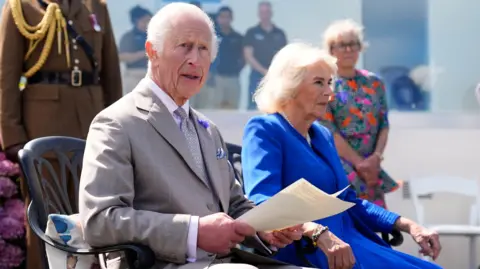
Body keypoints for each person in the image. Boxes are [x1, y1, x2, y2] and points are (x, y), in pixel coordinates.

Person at [78, 3, 306, 269]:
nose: (195, 60)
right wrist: (193, 231)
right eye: (184, 46)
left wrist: (267, 227)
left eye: (204, 49)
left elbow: (234, 205)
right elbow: (99, 221)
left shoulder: (207, 128)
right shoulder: (116, 123)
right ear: (153, 52)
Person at [241, 42, 443, 269]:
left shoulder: (322, 135)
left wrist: (408, 225)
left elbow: (348, 203)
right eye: (319, 83)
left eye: (329, 83)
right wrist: (316, 232)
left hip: (350, 242)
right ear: (290, 86)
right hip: (309, 250)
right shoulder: (265, 129)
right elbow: (263, 203)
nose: (329, 92)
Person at [0, 0, 122, 268]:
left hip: (92, 121)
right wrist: (12, 134)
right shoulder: (20, 8)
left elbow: (111, 74)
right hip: (42, 126)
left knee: (93, 209)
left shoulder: (96, 7)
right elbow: (6, 77)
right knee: (46, 214)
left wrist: (121, 129)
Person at [318, 19, 400, 208]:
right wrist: (359, 164)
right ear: (331, 50)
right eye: (342, 45)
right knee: (351, 221)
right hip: (342, 168)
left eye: (353, 44)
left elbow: (383, 124)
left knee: (377, 224)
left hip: (372, 168)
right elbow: (328, 130)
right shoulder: (326, 84)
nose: (348, 50)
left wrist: (376, 158)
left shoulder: (374, 82)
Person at [244, 1, 287, 110]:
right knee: (253, 106)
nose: (265, 14)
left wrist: (273, 72)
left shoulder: (280, 33)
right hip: (256, 77)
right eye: (262, 12)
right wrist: (263, 71)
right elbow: (248, 56)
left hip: (276, 76)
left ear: (271, 13)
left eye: (267, 11)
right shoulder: (251, 32)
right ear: (259, 14)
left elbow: (285, 55)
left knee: (275, 106)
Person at [214, 6, 245, 109]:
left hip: (233, 78)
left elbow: (244, 57)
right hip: (217, 79)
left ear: (231, 19)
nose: (224, 20)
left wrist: (237, 69)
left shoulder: (238, 37)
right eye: (222, 17)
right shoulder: (212, 36)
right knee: (215, 110)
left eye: (227, 17)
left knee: (232, 110)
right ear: (218, 18)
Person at [119, 5, 152, 95]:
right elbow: (122, 57)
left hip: (153, 76)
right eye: (144, 20)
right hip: (134, 75)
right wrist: (145, 53)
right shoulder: (128, 37)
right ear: (136, 21)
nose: (147, 23)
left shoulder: (153, 36)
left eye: (149, 20)